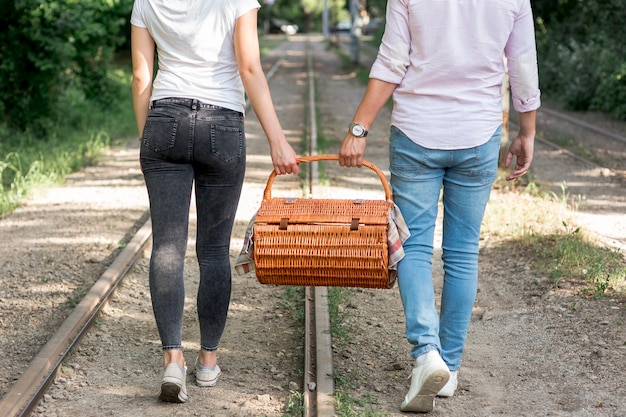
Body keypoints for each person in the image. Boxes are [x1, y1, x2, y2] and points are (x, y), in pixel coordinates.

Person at [338, 0, 540, 413]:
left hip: (417, 130)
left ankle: (427, 353)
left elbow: (392, 60)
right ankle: (449, 365)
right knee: (463, 253)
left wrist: (359, 128)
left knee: (411, 245)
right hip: (479, 132)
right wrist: (528, 131)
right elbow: (522, 64)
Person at [130, 0, 299, 404]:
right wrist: (277, 139)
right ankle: (208, 361)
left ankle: (173, 359)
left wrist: (146, 140)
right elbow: (250, 67)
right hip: (222, 123)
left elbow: (140, 75)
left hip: (164, 119)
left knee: (167, 246)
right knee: (213, 250)